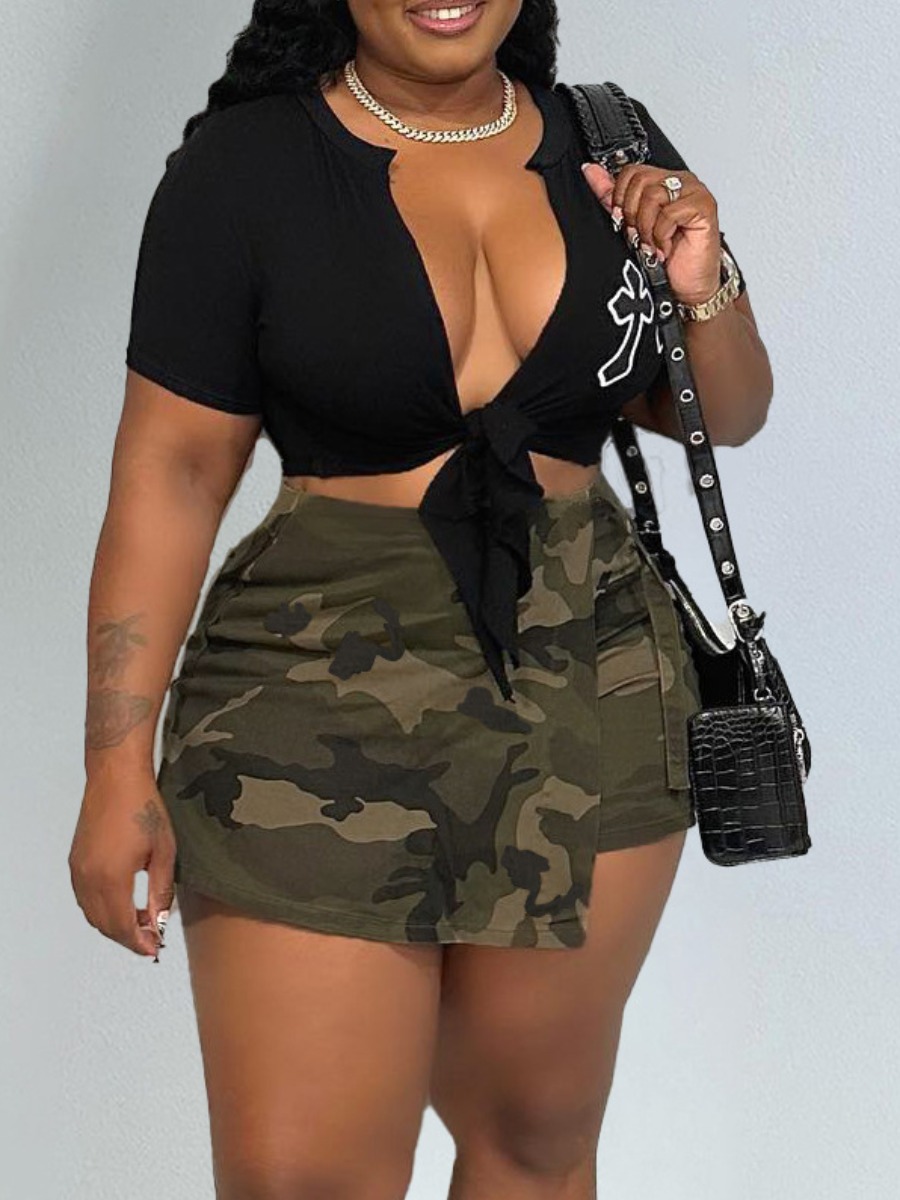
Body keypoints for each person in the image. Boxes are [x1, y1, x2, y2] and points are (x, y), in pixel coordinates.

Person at [70, 1, 772, 1196]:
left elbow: (729, 412)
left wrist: (703, 280)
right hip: (311, 700)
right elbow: (173, 473)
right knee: (308, 1179)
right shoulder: (243, 169)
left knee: (536, 1142)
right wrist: (113, 763)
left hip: (591, 674)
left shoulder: (609, 138)